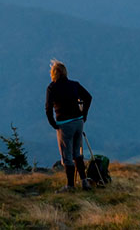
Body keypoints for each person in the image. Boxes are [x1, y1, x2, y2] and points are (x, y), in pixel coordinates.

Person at [44, 60, 93, 192]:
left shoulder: (52, 88)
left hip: (64, 124)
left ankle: (70, 186)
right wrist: (84, 115)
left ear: (54, 74)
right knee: (77, 153)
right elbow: (88, 97)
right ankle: (84, 182)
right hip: (78, 122)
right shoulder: (74, 85)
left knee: (67, 155)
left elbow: (48, 108)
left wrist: (53, 123)